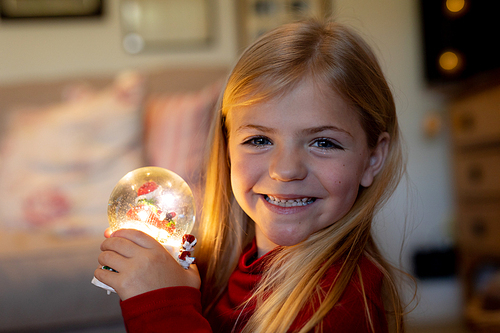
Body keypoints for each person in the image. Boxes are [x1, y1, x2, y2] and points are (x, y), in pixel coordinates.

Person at [95, 18, 409, 333]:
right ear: (227, 149)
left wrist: (161, 307)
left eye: (323, 142)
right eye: (259, 140)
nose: (285, 170)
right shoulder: (224, 270)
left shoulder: (342, 307)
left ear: (372, 159)